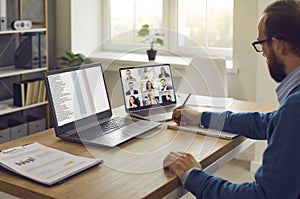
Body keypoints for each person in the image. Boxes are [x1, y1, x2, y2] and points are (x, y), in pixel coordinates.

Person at [163, 1, 300, 198]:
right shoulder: (292, 107)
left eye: (261, 43)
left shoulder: (295, 108)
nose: (262, 52)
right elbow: (265, 123)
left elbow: (262, 196)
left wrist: (193, 175)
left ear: (278, 46)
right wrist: (200, 118)